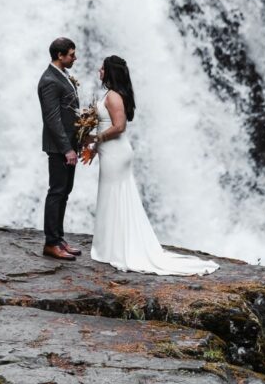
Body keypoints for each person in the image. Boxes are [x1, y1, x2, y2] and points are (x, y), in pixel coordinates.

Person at [88, 55, 219, 276]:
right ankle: (112, 245)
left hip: (115, 152)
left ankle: (118, 247)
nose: (99, 71)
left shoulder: (113, 97)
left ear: (110, 72)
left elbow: (119, 127)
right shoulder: (113, 94)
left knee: (116, 194)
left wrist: (96, 139)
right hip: (111, 152)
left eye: (102, 68)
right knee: (113, 195)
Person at [38, 36, 82, 260]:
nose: (75, 58)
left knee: (64, 192)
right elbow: (53, 119)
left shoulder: (61, 76)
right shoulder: (49, 80)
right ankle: (51, 243)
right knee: (56, 192)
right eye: (72, 54)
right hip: (59, 148)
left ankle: (59, 239)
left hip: (68, 145)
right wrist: (67, 149)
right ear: (60, 56)